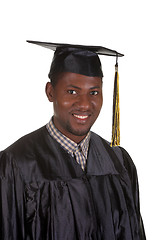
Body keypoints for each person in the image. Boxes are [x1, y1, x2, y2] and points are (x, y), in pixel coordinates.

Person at [0, 41, 146, 240]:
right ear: (50, 92)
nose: (85, 104)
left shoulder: (119, 162)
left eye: (94, 92)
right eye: (72, 92)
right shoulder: (15, 164)